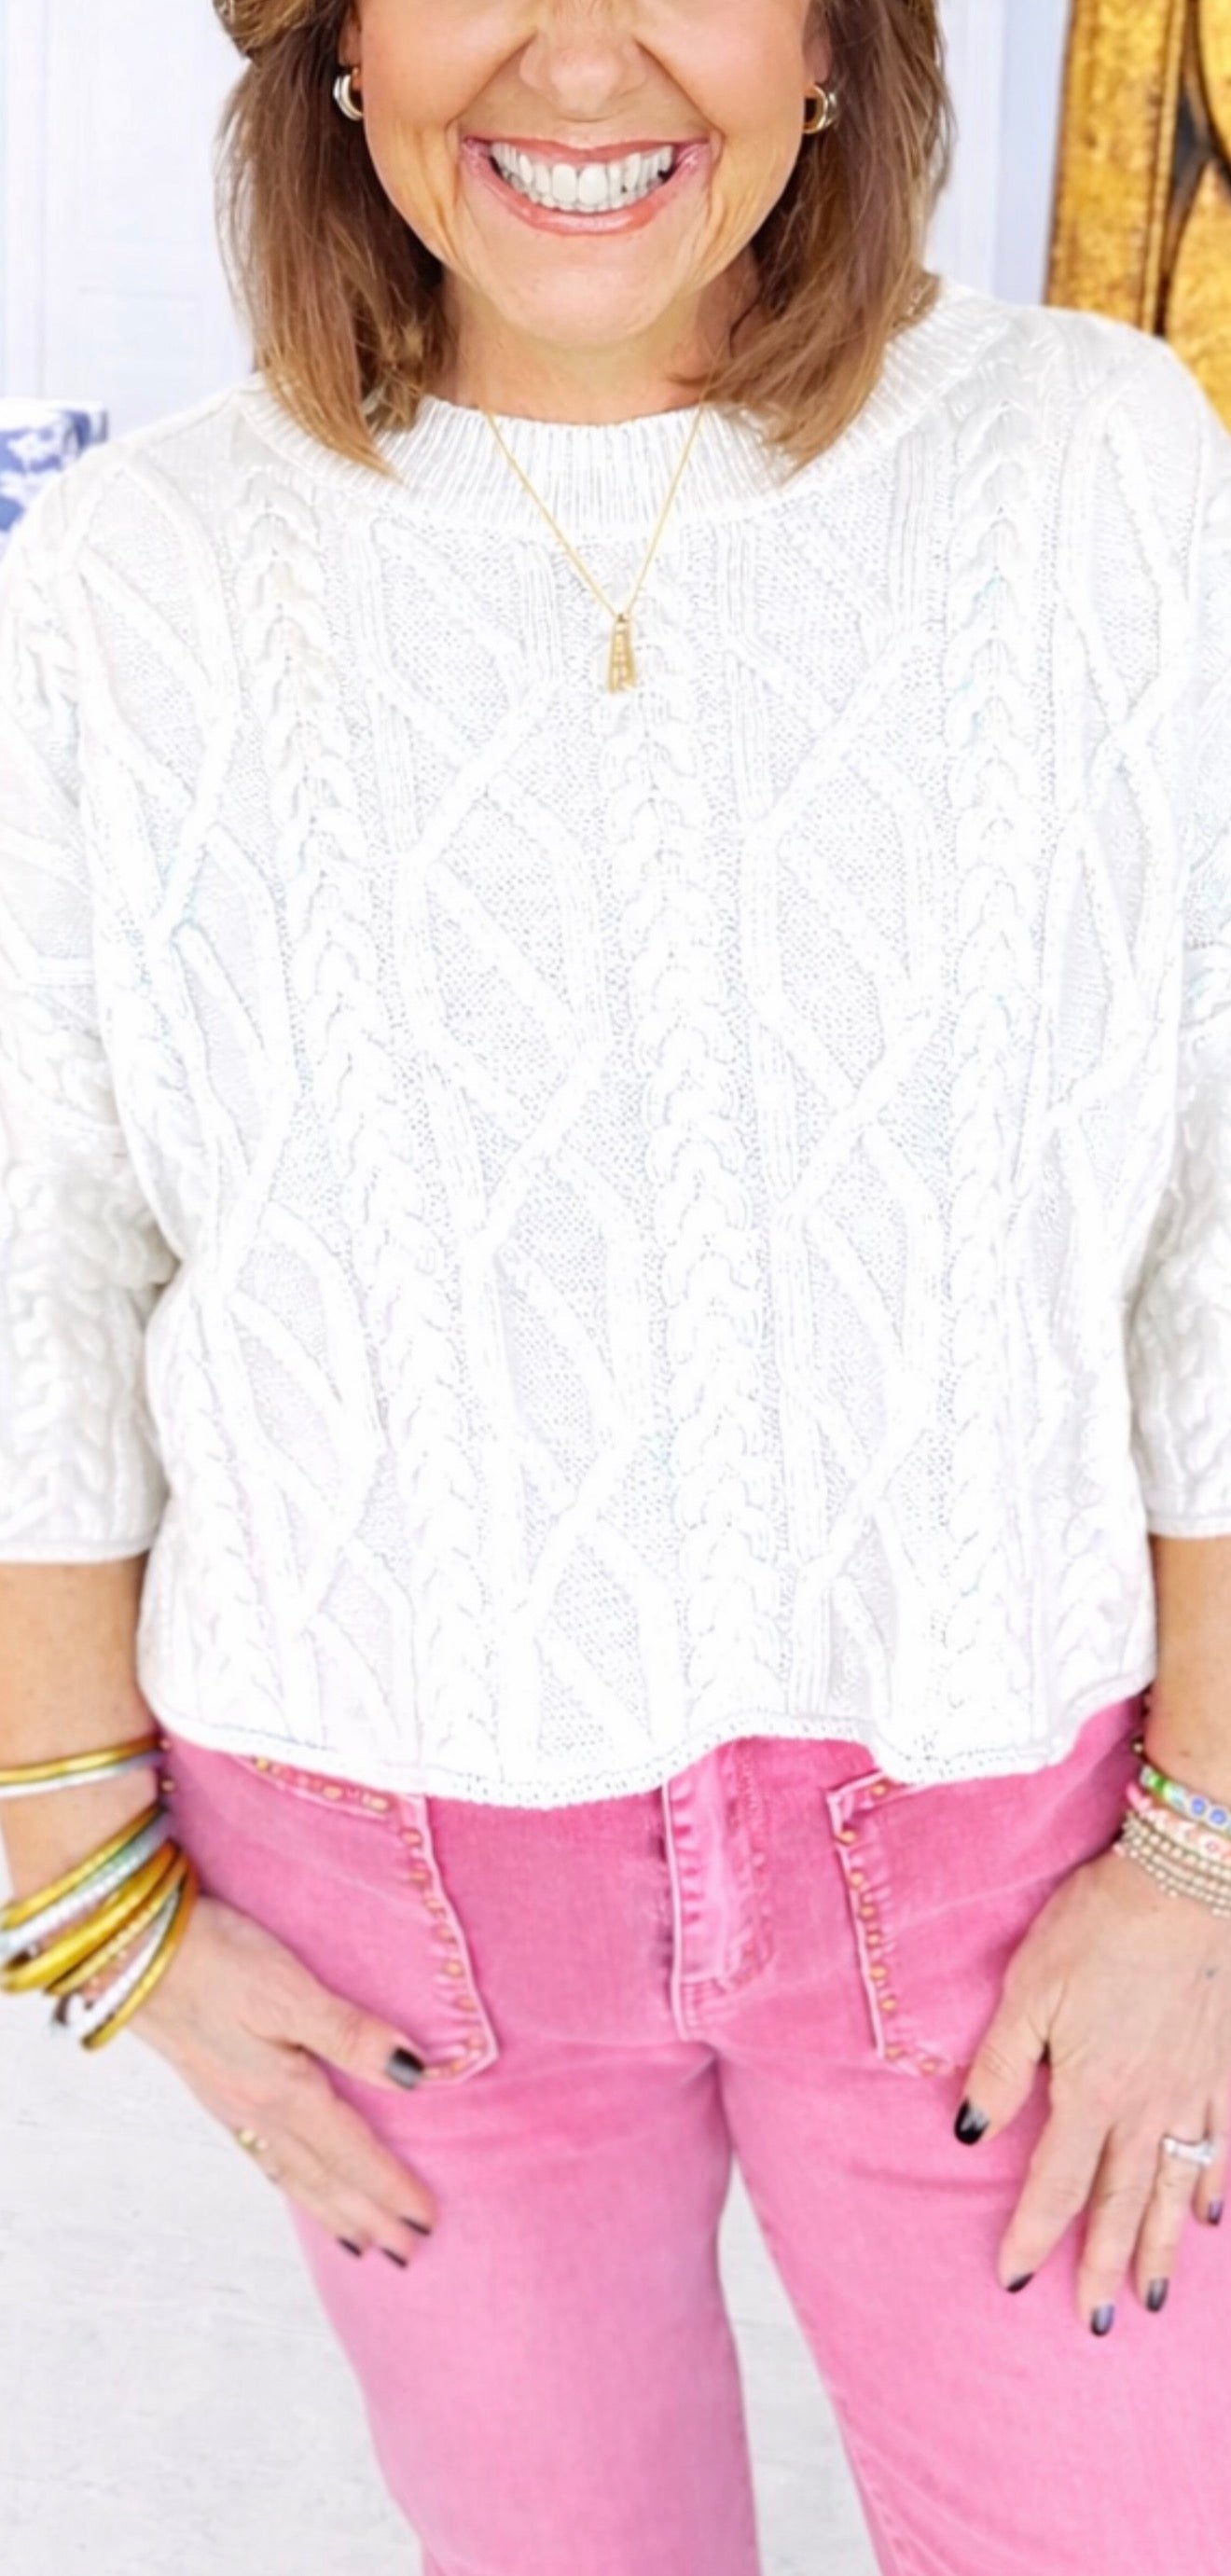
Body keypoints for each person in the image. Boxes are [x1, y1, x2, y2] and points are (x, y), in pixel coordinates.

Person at [1, 1, 1230, 2568]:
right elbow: (41, 1249)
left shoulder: (1097, 468)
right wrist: (79, 1892)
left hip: (1011, 1847)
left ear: (841, 39)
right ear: (337, 42)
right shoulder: (134, 574)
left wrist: (1210, 1854)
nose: (583, 59)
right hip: (386, 1893)